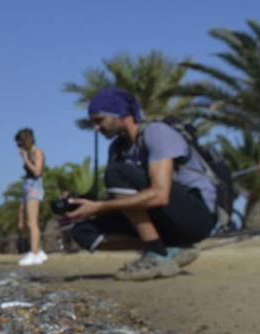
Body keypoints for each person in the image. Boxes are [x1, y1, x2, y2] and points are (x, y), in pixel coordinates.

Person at [63, 87, 217, 280]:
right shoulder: (117, 149)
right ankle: (169, 249)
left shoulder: (157, 133)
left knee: (117, 172)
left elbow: (160, 195)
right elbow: (121, 200)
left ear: (120, 113)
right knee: (83, 232)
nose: (96, 128)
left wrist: (101, 206)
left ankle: (156, 255)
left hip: (196, 215)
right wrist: (85, 206)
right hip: (161, 218)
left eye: (99, 120)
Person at [14, 127, 47, 266]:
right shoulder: (28, 153)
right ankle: (37, 251)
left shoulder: (37, 152)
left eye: (20, 143)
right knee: (23, 222)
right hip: (27, 185)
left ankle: (33, 253)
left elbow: (37, 171)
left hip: (34, 185)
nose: (18, 146)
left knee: (32, 222)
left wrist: (25, 158)